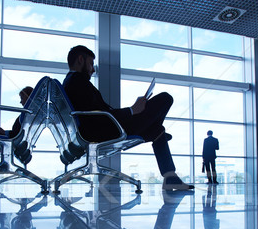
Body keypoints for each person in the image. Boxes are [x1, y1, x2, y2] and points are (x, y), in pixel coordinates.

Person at [62, 45, 194, 191]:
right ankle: (152, 130)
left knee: (158, 131)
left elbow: (100, 112)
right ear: (81, 59)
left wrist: (133, 110)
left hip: (105, 128)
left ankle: (170, 177)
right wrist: (132, 110)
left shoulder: (72, 82)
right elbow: (98, 116)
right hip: (107, 131)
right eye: (91, 64)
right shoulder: (78, 82)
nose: (93, 69)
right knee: (165, 98)